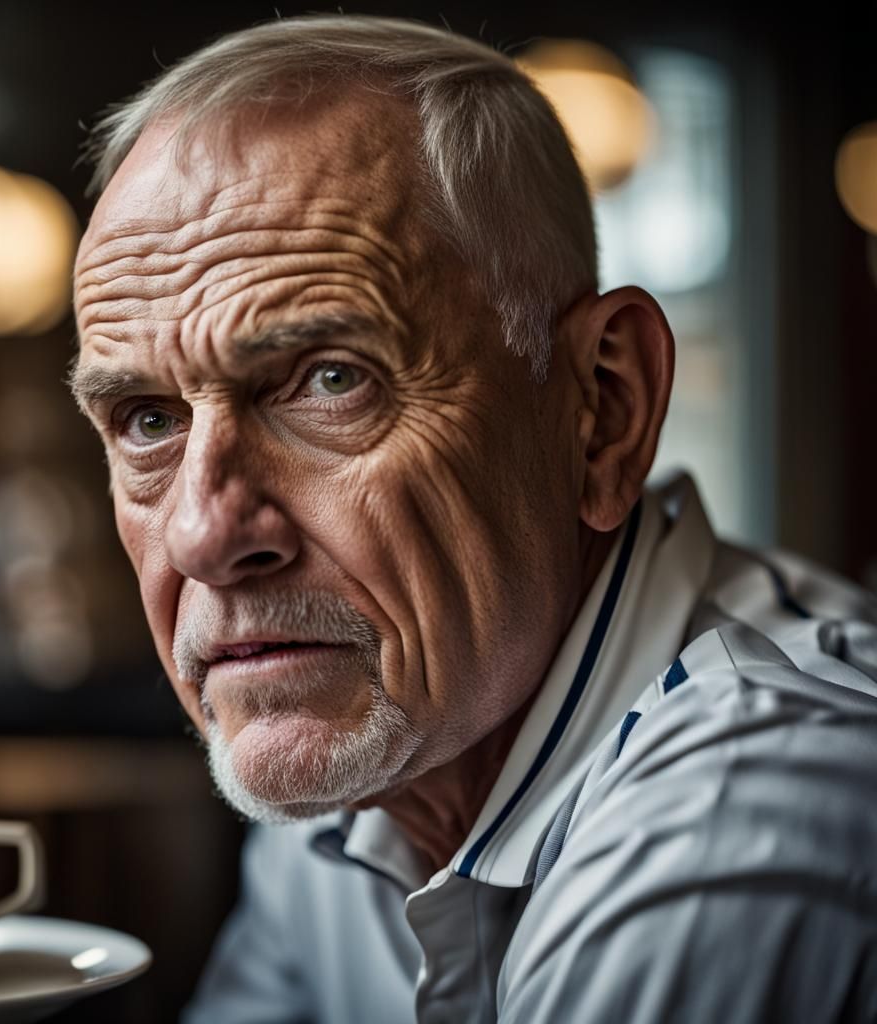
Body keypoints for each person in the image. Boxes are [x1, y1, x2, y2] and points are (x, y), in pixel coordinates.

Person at [69, 15, 877, 1023]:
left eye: (330, 380)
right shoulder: (355, 752)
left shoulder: (753, 796)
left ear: (601, 410)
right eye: (146, 420)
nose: (204, 535)